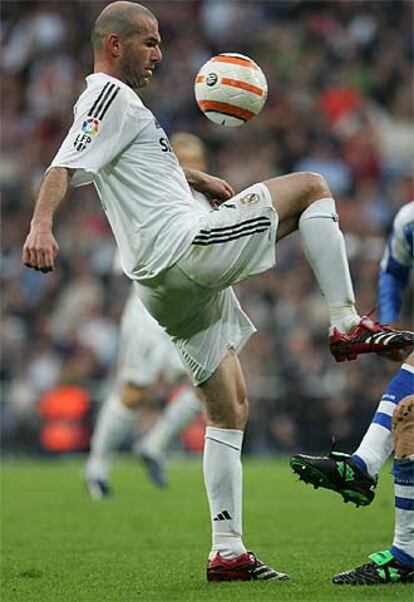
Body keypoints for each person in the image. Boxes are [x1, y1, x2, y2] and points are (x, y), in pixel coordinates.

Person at [22, 2, 413, 582]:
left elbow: (126, 170)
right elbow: (62, 167)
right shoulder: (106, 95)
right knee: (311, 187)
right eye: (148, 42)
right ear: (113, 45)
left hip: (162, 288)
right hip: (185, 250)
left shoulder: (125, 110)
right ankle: (345, 322)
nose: (159, 53)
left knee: (228, 408)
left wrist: (196, 177)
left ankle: (227, 550)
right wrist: (40, 225)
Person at [290, 201, 414, 585]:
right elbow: (393, 270)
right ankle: (405, 553)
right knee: (407, 416)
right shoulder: (409, 222)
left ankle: (364, 470)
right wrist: (388, 324)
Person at [85, 133, 210, 497]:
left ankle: (154, 444)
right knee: (136, 388)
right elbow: (123, 260)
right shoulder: (152, 197)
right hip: (148, 307)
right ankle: (97, 465)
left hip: (189, 309)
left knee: (207, 385)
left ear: (202, 164)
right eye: (179, 158)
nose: (186, 165)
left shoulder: (205, 203)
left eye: (193, 158)